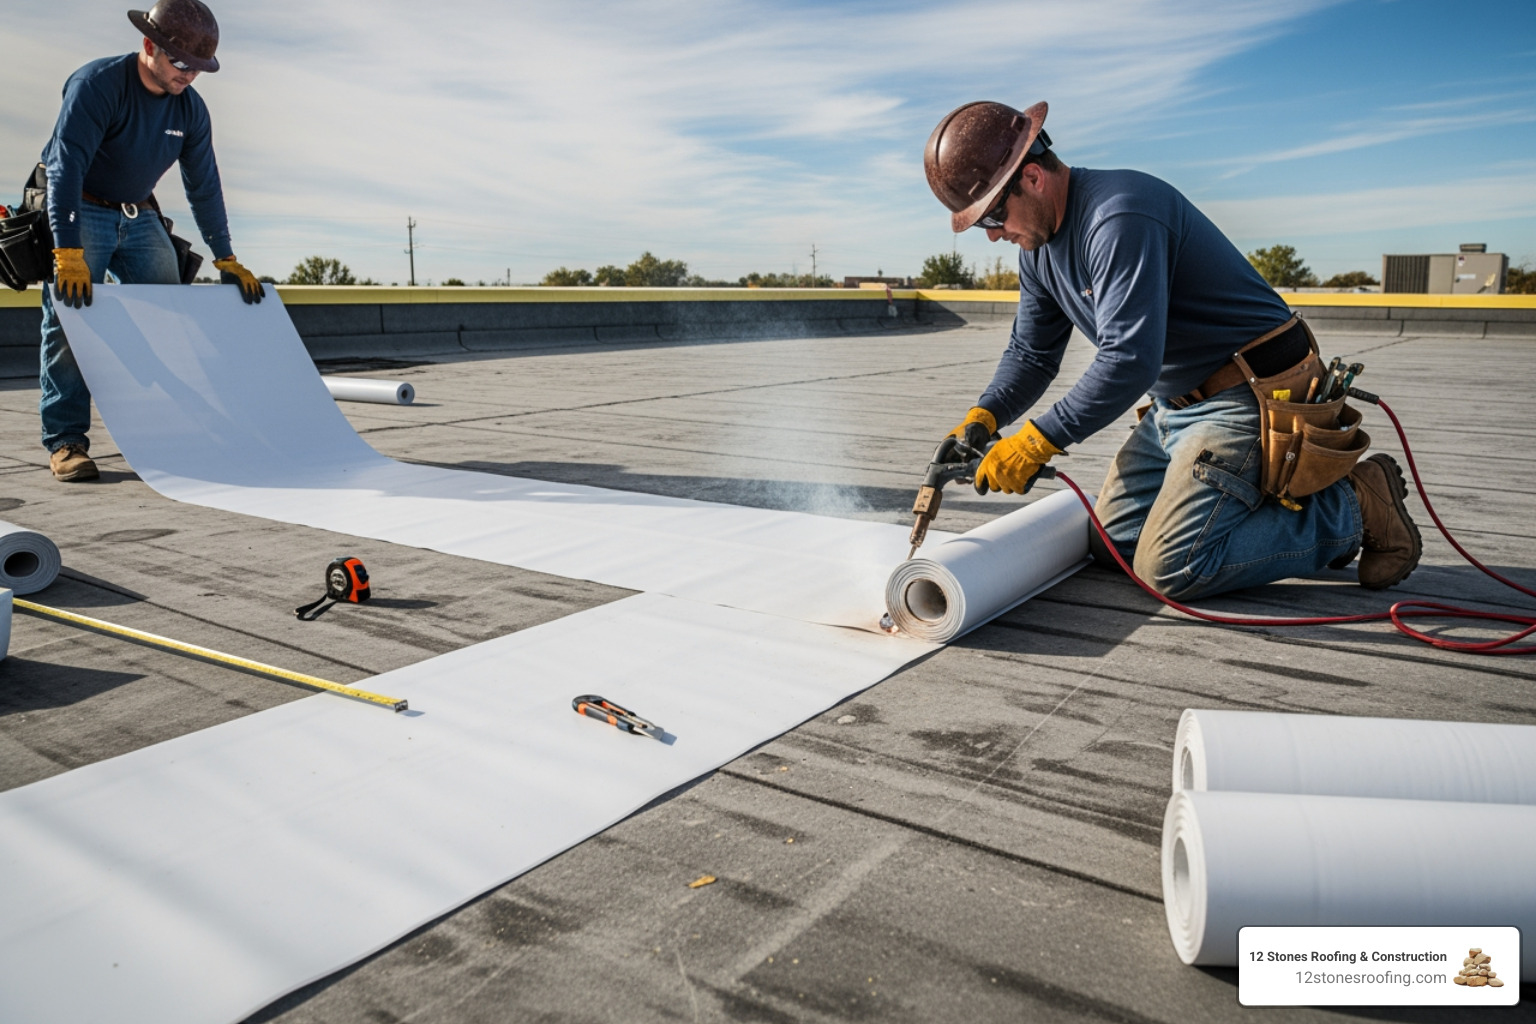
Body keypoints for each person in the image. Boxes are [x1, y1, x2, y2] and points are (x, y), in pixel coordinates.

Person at [923, 100, 1421, 599]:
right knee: (1114, 544)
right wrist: (984, 416)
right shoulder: (1039, 249)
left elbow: (1128, 358)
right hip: (1176, 406)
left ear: (1032, 177)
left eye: (992, 215)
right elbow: (1032, 355)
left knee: (1171, 568)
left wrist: (1038, 440)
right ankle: (1237, 504)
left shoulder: (1119, 213)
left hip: (1250, 397)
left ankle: (1352, 505)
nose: (992, 236)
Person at [38, 0, 264, 482]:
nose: (189, 75)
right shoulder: (97, 85)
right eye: (180, 63)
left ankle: (171, 429)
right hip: (80, 206)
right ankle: (66, 442)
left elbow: (203, 186)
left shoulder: (191, 110)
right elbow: (65, 169)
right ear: (149, 46)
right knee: (68, 320)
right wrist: (67, 249)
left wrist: (226, 257)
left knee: (170, 314)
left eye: (199, 68)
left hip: (138, 215)